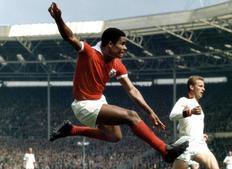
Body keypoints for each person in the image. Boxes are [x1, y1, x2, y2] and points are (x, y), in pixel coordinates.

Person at [48, 2, 187, 163]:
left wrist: (150, 112)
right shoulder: (89, 53)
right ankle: (165, 151)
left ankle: (71, 130)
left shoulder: (116, 63)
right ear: (110, 44)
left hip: (98, 101)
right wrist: (58, 19)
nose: (125, 48)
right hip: (84, 105)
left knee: (115, 137)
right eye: (122, 43)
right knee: (131, 116)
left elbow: (132, 90)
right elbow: (70, 37)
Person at [169, 75, 219, 169]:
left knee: (214, 164)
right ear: (192, 87)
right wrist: (190, 112)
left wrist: (200, 135)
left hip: (200, 145)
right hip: (186, 146)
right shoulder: (184, 100)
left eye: (204, 86)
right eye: (200, 86)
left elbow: (184, 125)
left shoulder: (200, 108)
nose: (203, 89)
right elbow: (172, 116)